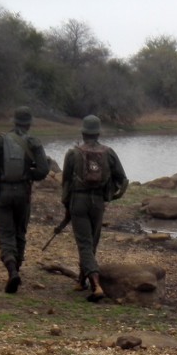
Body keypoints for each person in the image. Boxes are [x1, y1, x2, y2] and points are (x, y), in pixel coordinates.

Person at [0, 106, 50, 293]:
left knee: (5, 234)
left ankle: (11, 270)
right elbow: (44, 170)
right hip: (23, 193)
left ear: (14, 121)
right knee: (20, 232)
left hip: (3, 192)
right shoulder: (34, 142)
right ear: (29, 123)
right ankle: (16, 269)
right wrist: (28, 174)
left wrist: (1, 174)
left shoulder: (0, 140)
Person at [60, 115, 128, 302]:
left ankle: (95, 285)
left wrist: (67, 206)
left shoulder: (73, 153)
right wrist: (113, 196)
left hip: (78, 201)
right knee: (91, 243)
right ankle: (83, 280)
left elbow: (65, 182)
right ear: (98, 133)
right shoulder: (109, 152)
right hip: (98, 202)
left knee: (84, 244)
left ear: (83, 133)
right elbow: (123, 179)